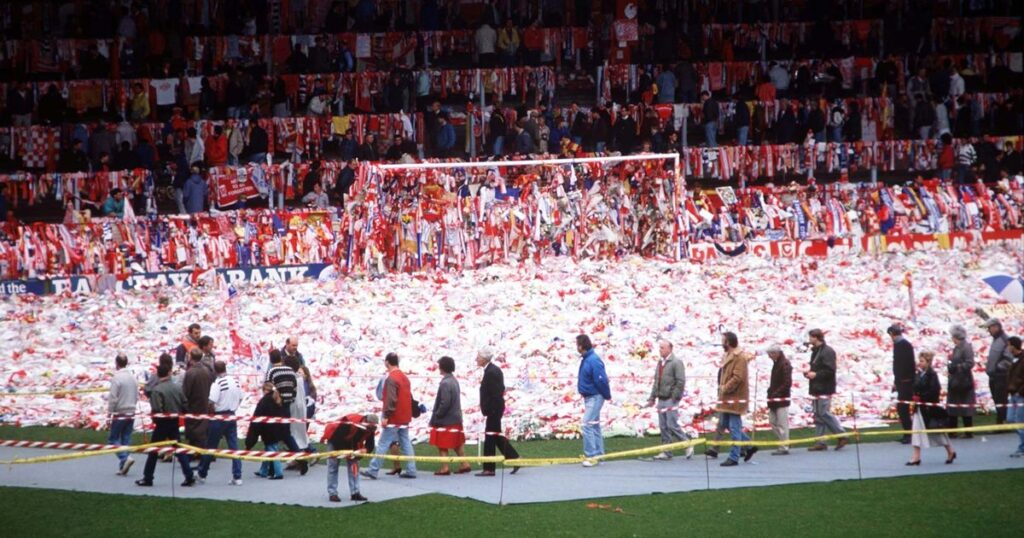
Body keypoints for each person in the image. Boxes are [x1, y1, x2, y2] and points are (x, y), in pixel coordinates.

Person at [136, 363, 195, 487]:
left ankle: (148, 477)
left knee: (153, 451)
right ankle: (189, 475)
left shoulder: (157, 390)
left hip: (162, 424)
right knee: (179, 448)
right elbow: (185, 404)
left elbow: (157, 409)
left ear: (158, 374)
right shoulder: (177, 388)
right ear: (169, 373)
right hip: (174, 421)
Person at [361, 352, 417, 479]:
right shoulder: (404, 378)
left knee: (383, 443)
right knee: (405, 442)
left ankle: (373, 469)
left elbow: (390, 399)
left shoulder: (391, 378)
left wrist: (386, 415)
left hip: (394, 417)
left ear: (387, 362)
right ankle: (411, 469)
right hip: (405, 416)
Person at [197, 361, 244, 486]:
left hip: (219, 416)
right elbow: (241, 397)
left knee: (211, 446)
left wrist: (213, 410)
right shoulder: (235, 381)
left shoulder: (217, 383)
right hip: (231, 415)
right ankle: (237, 476)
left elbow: (211, 401)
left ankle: (202, 473)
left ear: (214, 370)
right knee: (234, 446)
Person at [476, 347, 520, 476]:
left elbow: (496, 393)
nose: (476, 359)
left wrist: (490, 409)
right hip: (494, 409)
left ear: (484, 358)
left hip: (494, 409)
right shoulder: (491, 370)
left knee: (490, 437)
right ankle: (513, 458)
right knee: (495, 436)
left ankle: (489, 468)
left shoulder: (491, 372)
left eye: (478, 356)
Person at [906, 352, 956, 466]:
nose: (920, 363)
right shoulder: (919, 374)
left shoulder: (932, 375)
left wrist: (921, 397)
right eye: (920, 360)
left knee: (937, 433)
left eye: (922, 361)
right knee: (916, 432)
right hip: (919, 408)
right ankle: (916, 456)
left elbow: (934, 391)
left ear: (928, 362)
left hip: (929, 409)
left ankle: (950, 451)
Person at [265, 350, 309, 474]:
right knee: (290, 434)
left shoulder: (277, 373)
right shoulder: (296, 376)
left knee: (281, 435)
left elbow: (269, 387)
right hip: (294, 406)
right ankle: (299, 458)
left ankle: (274, 467)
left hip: (286, 406)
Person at [646, 340, 691, 460]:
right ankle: (666, 451)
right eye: (660, 348)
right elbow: (657, 381)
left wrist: (674, 396)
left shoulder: (676, 362)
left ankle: (686, 443)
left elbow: (680, 381)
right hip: (661, 398)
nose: (660, 350)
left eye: (662, 348)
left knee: (672, 425)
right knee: (663, 426)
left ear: (670, 349)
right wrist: (652, 398)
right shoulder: (660, 363)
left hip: (671, 398)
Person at [805, 329, 848, 451]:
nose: (809, 340)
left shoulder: (827, 351)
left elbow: (830, 371)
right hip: (817, 387)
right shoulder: (816, 351)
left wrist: (816, 375)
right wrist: (810, 373)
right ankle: (820, 441)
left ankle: (841, 435)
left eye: (810, 337)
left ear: (816, 337)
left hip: (824, 387)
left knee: (824, 413)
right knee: (818, 414)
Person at [429, 356, 472, 475]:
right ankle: (465, 463)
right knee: (457, 443)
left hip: (446, 420)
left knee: (442, 445)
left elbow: (445, 402)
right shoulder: (454, 380)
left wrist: (438, 414)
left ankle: (445, 467)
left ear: (443, 367)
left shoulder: (445, 383)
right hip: (456, 418)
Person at [717, 332, 755, 467]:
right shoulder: (727, 355)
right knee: (726, 424)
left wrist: (725, 388)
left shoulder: (739, 358)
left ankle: (734, 456)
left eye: (723, 341)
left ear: (728, 342)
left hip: (735, 397)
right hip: (727, 397)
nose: (721, 343)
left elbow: (737, 378)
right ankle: (749, 446)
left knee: (734, 426)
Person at [323, 413, 377, 502]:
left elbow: (370, 444)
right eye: (369, 428)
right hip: (335, 439)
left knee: (354, 467)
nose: (370, 430)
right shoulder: (349, 423)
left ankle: (355, 493)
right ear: (365, 422)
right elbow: (338, 439)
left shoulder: (371, 428)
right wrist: (348, 453)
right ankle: (332, 493)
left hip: (352, 443)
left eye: (372, 429)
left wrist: (365, 450)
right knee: (333, 467)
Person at [577, 334, 611, 465]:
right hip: (589, 396)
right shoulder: (587, 359)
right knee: (594, 425)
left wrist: (606, 395)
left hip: (595, 396)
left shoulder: (593, 360)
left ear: (581, 346)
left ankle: (591, 456)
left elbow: (600, 380)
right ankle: (599, 455)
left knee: (586, 424)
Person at [246, 382, 289, 480]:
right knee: (269, 449)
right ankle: (263, 471)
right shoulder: (277, 399)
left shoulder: (264, 401)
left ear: (264, 390)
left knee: (272, 450)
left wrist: (252, 436)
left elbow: (257, 417)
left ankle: (278, 473)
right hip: (276, 429)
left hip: (268, 431)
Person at [108, 353, 138, 476]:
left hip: (121, 412)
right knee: (125, 438)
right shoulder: (133, 377)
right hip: (131, 411)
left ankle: (124, 458)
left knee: (113, 439)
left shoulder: (117, 378)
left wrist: (110, 412)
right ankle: (123, 466)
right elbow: (136, 395)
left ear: (116, 364)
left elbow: (113, 397)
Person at [946, 325, 976, 438]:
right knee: (953, 406)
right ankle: (952, 431)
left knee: (965, 406)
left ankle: (968, 431)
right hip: (955, 380)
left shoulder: (966, 347)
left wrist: (957, 367)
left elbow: (970, 363)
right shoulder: (957, 347)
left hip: (963, 381)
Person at [888, 324, 916, 444]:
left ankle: (909, 434)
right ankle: (908, 433)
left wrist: (900, 380)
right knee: (902, 408)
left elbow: (903, 365)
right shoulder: (903, 345)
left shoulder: (902, 345)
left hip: (905, 382)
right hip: (902, 381)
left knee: (902, 408)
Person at [182, 349, 213, 452]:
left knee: (194, 430)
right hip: (204, 402)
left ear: (191, 358)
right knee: (202, 428)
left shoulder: (190, 372)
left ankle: (196, 451)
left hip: (193, 404)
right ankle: (199, 451)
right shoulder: (207, 370)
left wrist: (184, 405)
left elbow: (185, 391)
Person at [984, 319, 1013, 425]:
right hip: (993, 376)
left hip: (1001, 376)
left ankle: (1003, 421)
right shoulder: (996, 339)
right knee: (997, 399)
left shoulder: (1004, 339)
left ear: (996, 327)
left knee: (1001, 399)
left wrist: (997, 368)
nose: (988, 330)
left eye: (989, 328)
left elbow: (1008, 358)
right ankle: (1001, 420)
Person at [766, 345, 793, 455]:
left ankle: (784, 446)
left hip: (781, 399)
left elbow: (787, 383)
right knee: (772, 422)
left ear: (775, 353)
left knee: (782, 423)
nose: (769, 357)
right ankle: (784, 441)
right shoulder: (777, 363)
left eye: (770, 354)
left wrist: (776, 393)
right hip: (774, 398)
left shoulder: (784, 364)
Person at [1006, 337, 1024, 458]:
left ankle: (1022, 448)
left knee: (1019, 422)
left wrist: (1020, 392)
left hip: (1020, 395)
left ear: (1013, 346)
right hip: (1012, 394)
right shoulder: (1013, 360)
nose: (1007, 348)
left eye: (1009, 345)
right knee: (1010, 419)